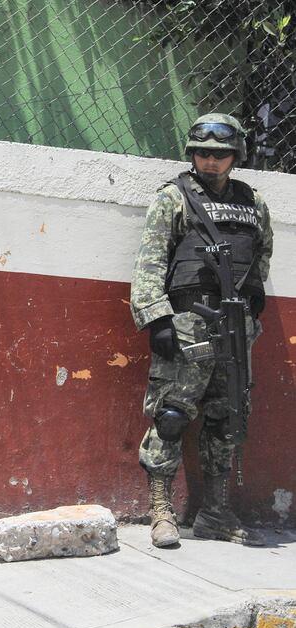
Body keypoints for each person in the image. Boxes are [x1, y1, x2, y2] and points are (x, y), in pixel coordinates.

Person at [130, 113, 272, 549]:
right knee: (172, 416)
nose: (211, 161)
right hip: (187, 323)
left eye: (221, 154)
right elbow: (150, 261)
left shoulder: (253, 202)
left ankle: (215, 513)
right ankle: (161, 512)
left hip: (234, 327)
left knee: (226, 418)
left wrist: (252, 311)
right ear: (192, 154)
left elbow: (261, 256)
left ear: (235, 156)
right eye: (203, 153)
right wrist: (156, 319)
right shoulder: (173, 198)